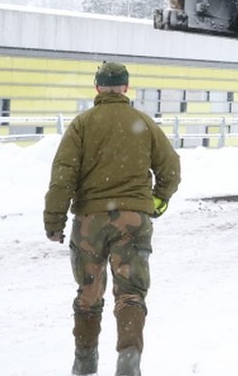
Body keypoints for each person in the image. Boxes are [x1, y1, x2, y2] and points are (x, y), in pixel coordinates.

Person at [44, 62, 181, 376]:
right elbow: (170, 169)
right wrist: (157, 201)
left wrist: (54, 222)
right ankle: (129, 358)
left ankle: (85, 360)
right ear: (125, 88)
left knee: (89, 293)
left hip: (89, 221)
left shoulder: (82, 125)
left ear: (97, 88)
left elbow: (62, 177)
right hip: (133, 220)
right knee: (131, 292)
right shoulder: (143, 123)